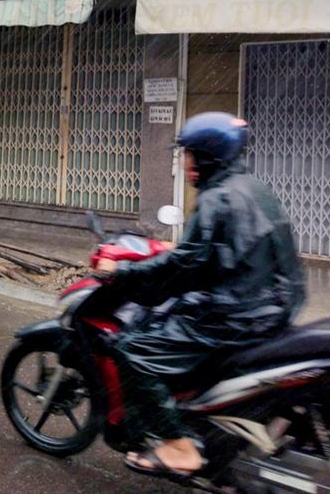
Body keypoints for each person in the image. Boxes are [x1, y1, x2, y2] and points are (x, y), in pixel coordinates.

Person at [95, 112, 305, 480]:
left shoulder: (216, 198)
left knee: (134, 352)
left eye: (189, 153)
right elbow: (217, 252)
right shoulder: (251, 187)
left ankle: (180, 444)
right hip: (275, 305)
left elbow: (182, 269)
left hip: (237, 314)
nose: (185, 161)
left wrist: (124, 275)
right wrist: (173, 251)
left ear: (207, 155)